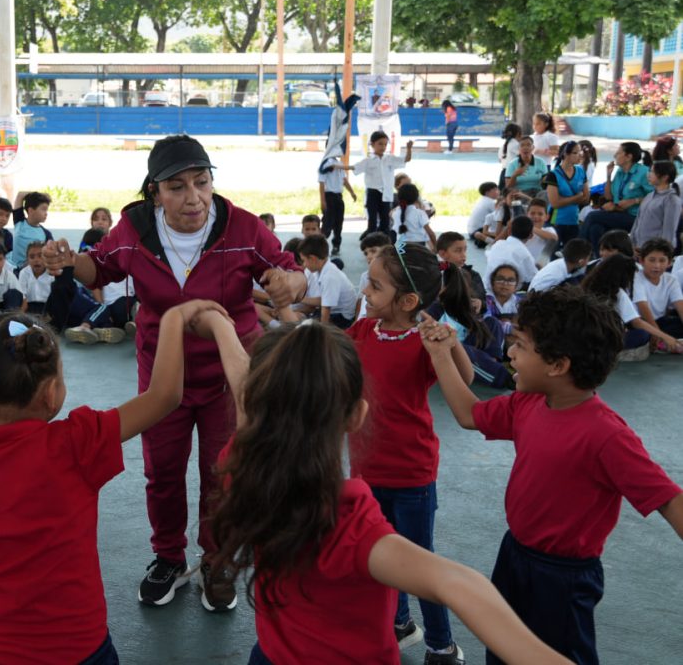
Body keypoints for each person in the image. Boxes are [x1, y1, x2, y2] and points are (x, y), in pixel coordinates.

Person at [207, 318, 570, 665]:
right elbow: (457, 584)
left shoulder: (241, 469)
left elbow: (247, 393)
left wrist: (216, 323)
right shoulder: (350, 525)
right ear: (357, 416)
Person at [42, 134, 304, 612]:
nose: (193, 198)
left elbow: (290, 269)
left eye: (201, 183)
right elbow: (97, 269)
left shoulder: (242, 226)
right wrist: (68, 263)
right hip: (163, 373)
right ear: (155, 192)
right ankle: (167, 555)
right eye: (177, 187)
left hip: (229, 373)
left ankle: (216, 558)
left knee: (223, 471)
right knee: (162, 471)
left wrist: (291, 283)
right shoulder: (135, 229)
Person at [0, 301, 232, 663]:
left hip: (3, 653)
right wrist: (175, 318)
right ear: (50, 394)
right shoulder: (76, 444)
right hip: (82, 649)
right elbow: (164, 396)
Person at [423, 285, 683, 664]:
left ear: (558, 365)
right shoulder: (529, 401)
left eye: (521, 346)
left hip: (564, 578)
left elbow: (669, 499)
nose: (509, 353)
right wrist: (441, 354)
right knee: (503, 647)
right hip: (514, 555)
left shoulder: (607, 434)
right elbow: (468, 415)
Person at [345, 242, 472, 663]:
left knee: (418, 564)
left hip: (411, 476)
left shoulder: (423, 341)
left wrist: (447, 343)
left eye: (375, 285)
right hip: (366, 471)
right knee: (380, 554)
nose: (365, 290)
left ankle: (440, 643)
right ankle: (399, 622)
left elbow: (466, 377)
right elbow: (330, 355)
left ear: (408, 301)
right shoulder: (363, 332)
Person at [581, 253, 678, 358]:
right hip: (604, 341)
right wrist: (666, 337)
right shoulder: (618, 293)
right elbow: (637, 322)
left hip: (585, 338)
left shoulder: (586, 287)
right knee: (642, 334)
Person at [581, 142, 654, 252]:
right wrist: (609, 175)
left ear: (629, 157)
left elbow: (654, 196)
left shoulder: (643, 172)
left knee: (592, 216)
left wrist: (634, 200)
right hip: (618, 212)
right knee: (595, 228)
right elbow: (608, 196)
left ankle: (578, 250)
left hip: (635, 217)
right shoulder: (620, 171)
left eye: (618, 153)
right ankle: (599, 260)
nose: (615, 155)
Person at [348, 132, 414, 238]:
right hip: (373, 193)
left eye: (385, 144)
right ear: (372, 144)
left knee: (385, 220)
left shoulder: (390, 159)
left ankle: (384, 243)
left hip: (386, 193)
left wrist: (409, 149)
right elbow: (354, 167)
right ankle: (371, 242)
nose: (383, 147)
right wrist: (338, 167)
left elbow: (406, 159)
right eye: (380, 144)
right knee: (372, 220)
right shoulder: (368, 161)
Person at [296, 234, 357, 328]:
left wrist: (322, 333)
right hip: (334, 311)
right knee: (301, 319)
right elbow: (323, 300)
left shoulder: (329, 276)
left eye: (304, 260)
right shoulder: (321, 270)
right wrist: (299, 298)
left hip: (342, 318)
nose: (303, 265)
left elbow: (326, 310)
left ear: (312, 258)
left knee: (307, 328)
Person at [633, 238, 683, 344]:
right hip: (641, 322)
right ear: (641, 261)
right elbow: (643, 308)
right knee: (642, 335)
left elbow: (680, 306)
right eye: (652, 260)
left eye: (662, 260)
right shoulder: (636, 277)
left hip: (661, 322)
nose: (657, 266)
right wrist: (660, 335)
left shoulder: (670, 280)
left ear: (669, 262)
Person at [544, 140, 590, 249]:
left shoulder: (581, 171)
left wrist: (565, 199)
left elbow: (586, 198)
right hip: (556, 221)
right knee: (550, 255)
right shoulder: (554, 175)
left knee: (572, 256)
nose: (580, 156)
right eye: (575, 153)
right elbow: (555, 203)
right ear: (565, 154)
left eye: (580, 153)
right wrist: (576, 197)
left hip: (573, 221)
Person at [630, 161, 681, 251]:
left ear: (665, 177)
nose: (648, 175)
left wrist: (662, 251)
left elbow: (669, 230)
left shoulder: (671, 200)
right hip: (639, 247)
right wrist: (633, 243)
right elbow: (637, 221)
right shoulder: (649, 196)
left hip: (655, 250)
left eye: (652, 172)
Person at [318, 153, 356, 255]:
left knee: (339, 223)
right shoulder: (325, 164)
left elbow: (344, 180)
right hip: (329, 196)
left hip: (339, 196)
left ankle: (336, 245)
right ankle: (319, 245)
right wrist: (322, 201)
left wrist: (352, 192)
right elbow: (321, 183)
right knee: (327, 223)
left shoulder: (340, 163)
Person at [486, 216, 538, 288]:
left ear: (509, 231)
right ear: (531, 235)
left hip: (486, 287)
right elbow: (533, 278)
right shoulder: (525, 254)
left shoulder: (498, 244)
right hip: (506, 292)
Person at [11, 192, 53, 269]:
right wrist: (37, 195)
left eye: (47, 210)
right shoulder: (19, 222)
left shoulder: (46, 234)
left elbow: (50, 255)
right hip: (12, 268)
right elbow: (20, 194)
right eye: (43, 209)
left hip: (32, 271)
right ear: (30, 210)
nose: (46, 213)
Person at [392, 183, 436, 248]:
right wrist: (435, 247)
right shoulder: (420, 213)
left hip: (400, 247)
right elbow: (430, 233)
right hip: (418, 246)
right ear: (416, 198)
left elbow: (391, 214)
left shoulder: (396, 213)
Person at [19, 242, 55, 314]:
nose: (36, 260)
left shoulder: (52, 274)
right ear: (27, 259)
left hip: (48, 308)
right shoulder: (24, 273)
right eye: (32, 257)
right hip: (29, 307)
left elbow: (56, 299)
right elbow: (23, 296)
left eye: (40, 256)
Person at [524, 198, 558, 267]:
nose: (536, 216)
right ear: (527, 215)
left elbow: (554, 238)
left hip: (540, 269)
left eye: (540, 214)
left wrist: (531, 227)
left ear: (546, 217)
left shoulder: (548, 230)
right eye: (532, 213)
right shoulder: (522, 230)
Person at [468, 182, 500, 248]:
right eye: (495, 190)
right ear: (487, 192)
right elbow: (501, 217)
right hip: (479, 230)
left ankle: (484, 240)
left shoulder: (483, 200)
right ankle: (490, 241)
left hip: (472, 232)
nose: (498, 192)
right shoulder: (491, 202)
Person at [498, 123, 522, 188]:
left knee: (503, 194)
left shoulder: (503, 146)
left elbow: (500, 160)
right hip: (512, 173)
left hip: (503, 172)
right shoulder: (516, 145)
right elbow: (523, 156)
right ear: (518, 134)